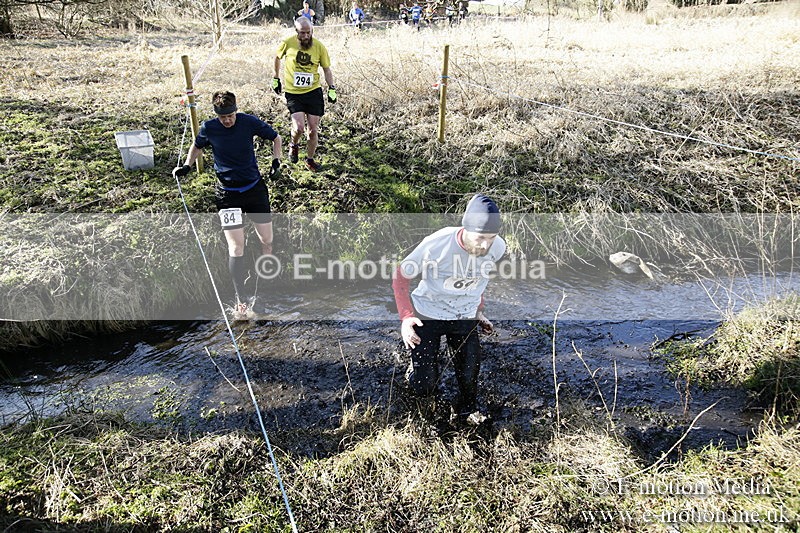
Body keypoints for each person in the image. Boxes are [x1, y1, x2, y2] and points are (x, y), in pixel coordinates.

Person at [392, 194, 506, 422]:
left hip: (464, 314)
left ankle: (466, 412)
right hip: (428, 313)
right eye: (481, 237)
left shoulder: (498, 247)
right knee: (424, 385)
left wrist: (479, 310)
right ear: (466, 228)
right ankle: (414, 374)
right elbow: (400, 276)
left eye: (491, 238)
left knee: (469, 376)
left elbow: (479, 280)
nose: (486, 245)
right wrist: (406, 318)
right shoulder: (436, 244)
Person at [173, 91, 282, 320]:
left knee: (267, 242)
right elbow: (197, 146)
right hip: (227, 195)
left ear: (236, 110)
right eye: (223, 117)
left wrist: (276, 162)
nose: (228, 121)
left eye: (231, 116)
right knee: (236, 248)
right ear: (217, 115)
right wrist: (187, 166)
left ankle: (262, 291)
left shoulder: (248, 122)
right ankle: (242, 300)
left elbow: (276, 138)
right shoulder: (209, 127)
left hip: (254, 190)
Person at [273, 16, 336, 173]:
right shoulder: (288, 43)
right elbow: (276, 57)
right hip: (293, 93)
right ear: (296, 32)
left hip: (313, 92)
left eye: (308, 33)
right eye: (302, 33)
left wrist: (332, 88)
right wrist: (276, 78)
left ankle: (310, 159)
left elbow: (327, 69)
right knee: (299, 127)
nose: (306, 36)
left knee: (313, 130)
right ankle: (293, 144)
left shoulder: (319, 47)